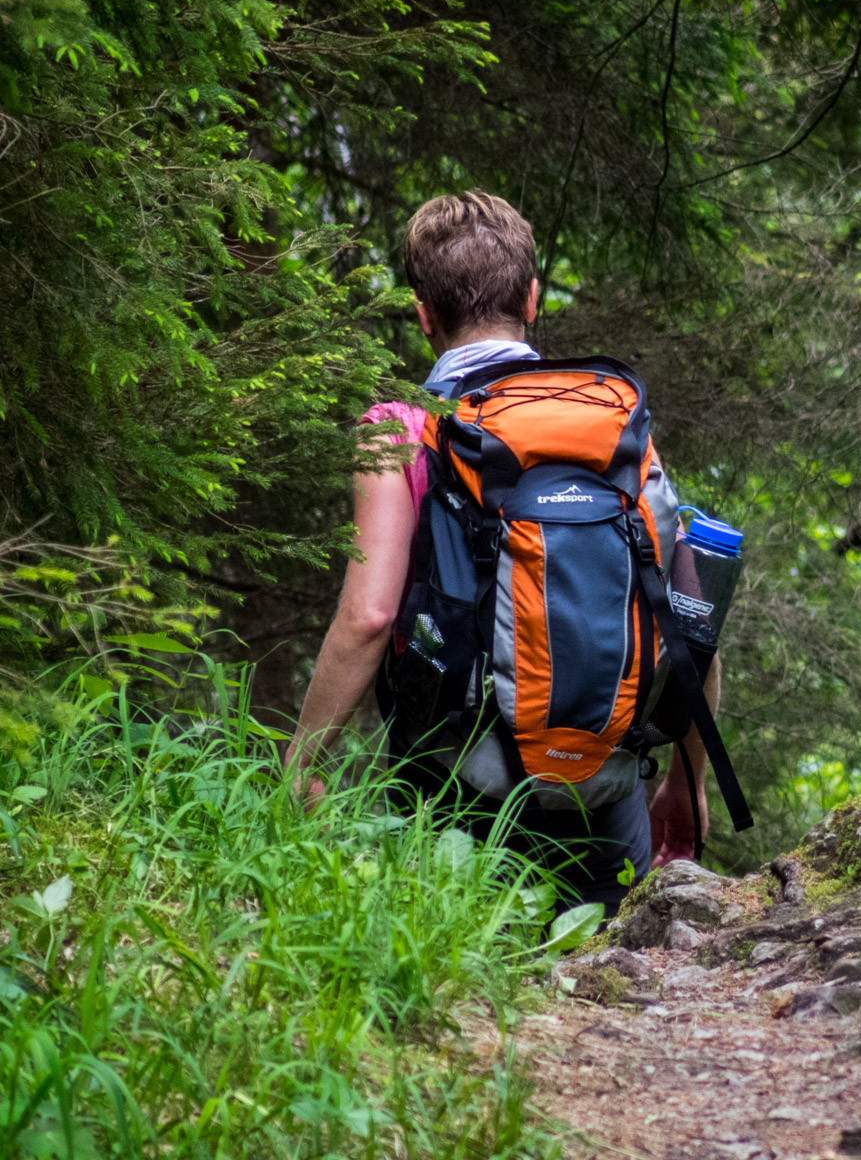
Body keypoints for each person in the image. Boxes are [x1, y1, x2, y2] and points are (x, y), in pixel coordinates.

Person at [284, 191, 712, 912]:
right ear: (533, 299)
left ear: (423, 315)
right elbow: (691, 614)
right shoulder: (614, 425)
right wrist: (688, 781)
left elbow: (370, 615)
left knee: (459, 1004)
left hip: (448, 796)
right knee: (602, 1001)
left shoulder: (401, 428)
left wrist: (303, 763)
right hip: (601, 800)